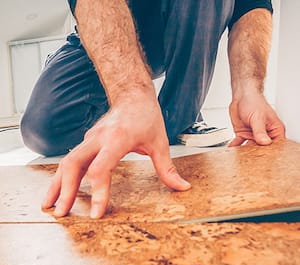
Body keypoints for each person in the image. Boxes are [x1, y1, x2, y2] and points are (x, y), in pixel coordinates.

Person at [20, 0, 285, 219]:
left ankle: (178, 120)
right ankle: (126, 110)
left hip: (174, 24)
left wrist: (248, 88)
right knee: (42, 128)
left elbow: (252, 4)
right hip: (107, 24)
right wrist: (130, 95)